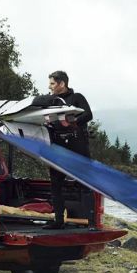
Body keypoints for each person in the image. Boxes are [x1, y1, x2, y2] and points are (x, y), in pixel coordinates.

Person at [43, 70, 93, 229]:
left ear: (62, 83)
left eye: (52, 83)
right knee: (56, 184)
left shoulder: (77, 97)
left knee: (84, 184)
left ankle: (91, 223)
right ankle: (58, 221)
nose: (49, 86)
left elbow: (88, 114)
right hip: (58, 147)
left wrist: (71, 122)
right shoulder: (50, 101)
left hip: (77, 146)